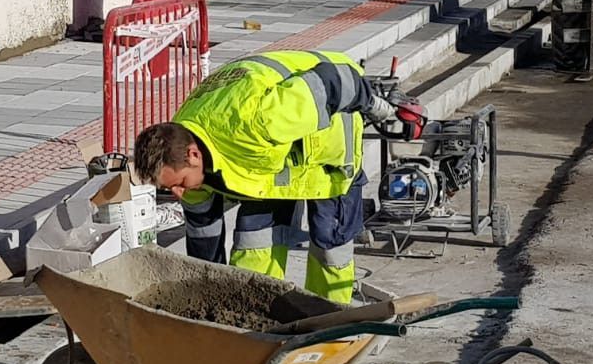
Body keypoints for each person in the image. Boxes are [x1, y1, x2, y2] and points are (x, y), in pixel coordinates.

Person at [133, 50, 425, 305]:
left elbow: (337, 79)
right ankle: (252, 316)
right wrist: (208, 292)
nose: (179, 194)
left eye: (180, 184)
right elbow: (203, 238)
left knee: (330, 249)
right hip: (270, 160)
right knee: (253, 247)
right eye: (169, 189)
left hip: (330, 148)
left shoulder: (259, 119)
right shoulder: (182, 143)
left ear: (194, 155)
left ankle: (331, 323)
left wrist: (374, 105)